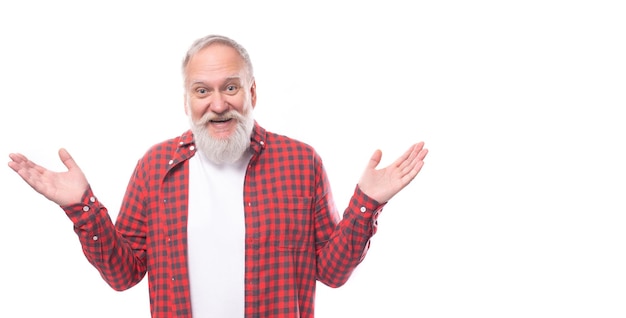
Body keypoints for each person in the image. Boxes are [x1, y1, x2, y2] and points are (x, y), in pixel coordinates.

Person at [8, 34, 428, 318]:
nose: (217, 104)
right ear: (187, 99)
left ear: (252, 94)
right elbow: (124, 276)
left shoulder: (302, 164)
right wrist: (82, 207)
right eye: (202, 90)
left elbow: (332, 273)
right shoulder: (155, 168)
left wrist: (367, 203)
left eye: (230, 87)